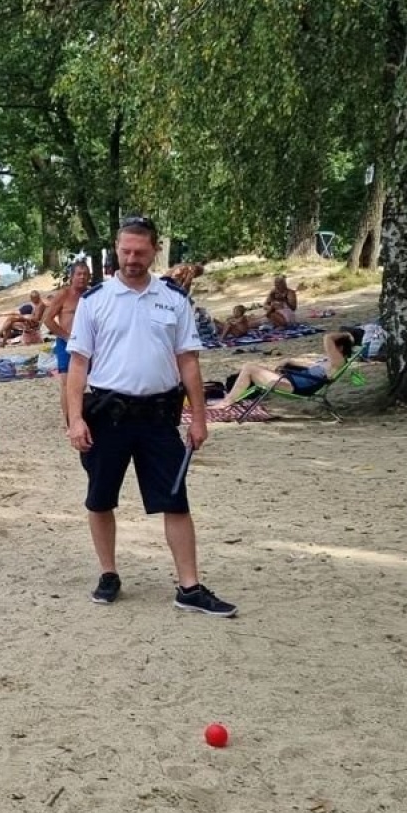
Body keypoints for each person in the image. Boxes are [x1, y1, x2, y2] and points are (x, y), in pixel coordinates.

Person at [65, 218, 236, 616]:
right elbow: (77, 365)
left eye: (140, 252)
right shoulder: (95, 300)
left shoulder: (174, 299)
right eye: (125, 251)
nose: (132, 259)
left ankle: (189, 587)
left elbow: (189, 362)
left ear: (155, 251)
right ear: (116, 248)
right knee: (100, 498)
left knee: (175, 500)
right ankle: (108, 574)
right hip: (107, 415)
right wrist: (75, 418)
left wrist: (199, 418)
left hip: (159, 417)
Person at [211, 328, 361, 407]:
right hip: (291, 380)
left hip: (293, 386)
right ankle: (230, 397)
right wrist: (291, 362)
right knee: (254, 368)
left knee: (249, 367)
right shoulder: (330, 362)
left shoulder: (338, 362)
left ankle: (227, 401)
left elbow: (327, 337)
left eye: (333, 347)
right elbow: (312, 369)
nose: (328, 349)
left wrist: (348, 335)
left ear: (340, 348)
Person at [43, 260, 92, 427]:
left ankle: (84, 416)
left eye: (85, 274)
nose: (82, 277)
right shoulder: (63, 295)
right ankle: (69, 421)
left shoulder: (91, 295)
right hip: (66, 342)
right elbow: (48, 320)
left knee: (87, 381)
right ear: (72, 277)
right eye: (79, 274)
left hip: (87, 343)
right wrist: (65, 336)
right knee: (66, 383)